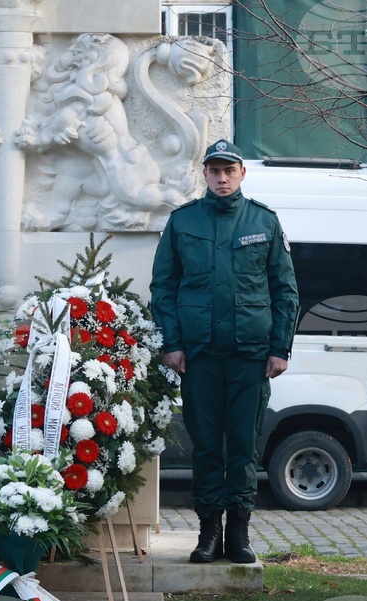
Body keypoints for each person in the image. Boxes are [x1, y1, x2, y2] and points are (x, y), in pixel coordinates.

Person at [149, 139, 299, 564]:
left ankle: (240, 532)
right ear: (204, 174)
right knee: (207, 444)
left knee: (243, 444)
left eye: (228, 170)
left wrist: (280, 347)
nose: (221, 177)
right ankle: (208, 532)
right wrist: (172, 344)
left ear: (241, 174)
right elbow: (164, 288)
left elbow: (285, 290)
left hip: (249, 355)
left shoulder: (264, 222)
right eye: (214, 170)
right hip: (199, 356)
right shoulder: (183, 222)